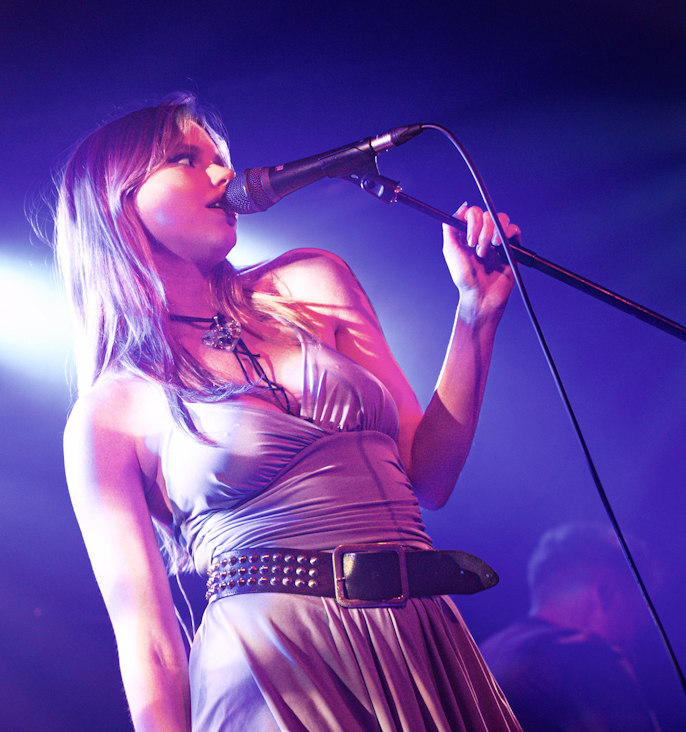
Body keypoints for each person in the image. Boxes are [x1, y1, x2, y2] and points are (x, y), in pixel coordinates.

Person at [55, 93, 523, 732]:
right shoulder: (107, 413)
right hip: (270, 674)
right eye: (186, 160)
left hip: (418, 635)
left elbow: (428, 476)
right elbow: (152, 648)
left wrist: (476, 315)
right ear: (118, 200)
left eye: (222, 159)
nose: (222, 174)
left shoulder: (312, 279)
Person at [479, 523, 660, 732]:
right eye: (635, 623)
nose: (632, 643)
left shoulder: (485, 653)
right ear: (606, 591)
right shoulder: (589, 658)